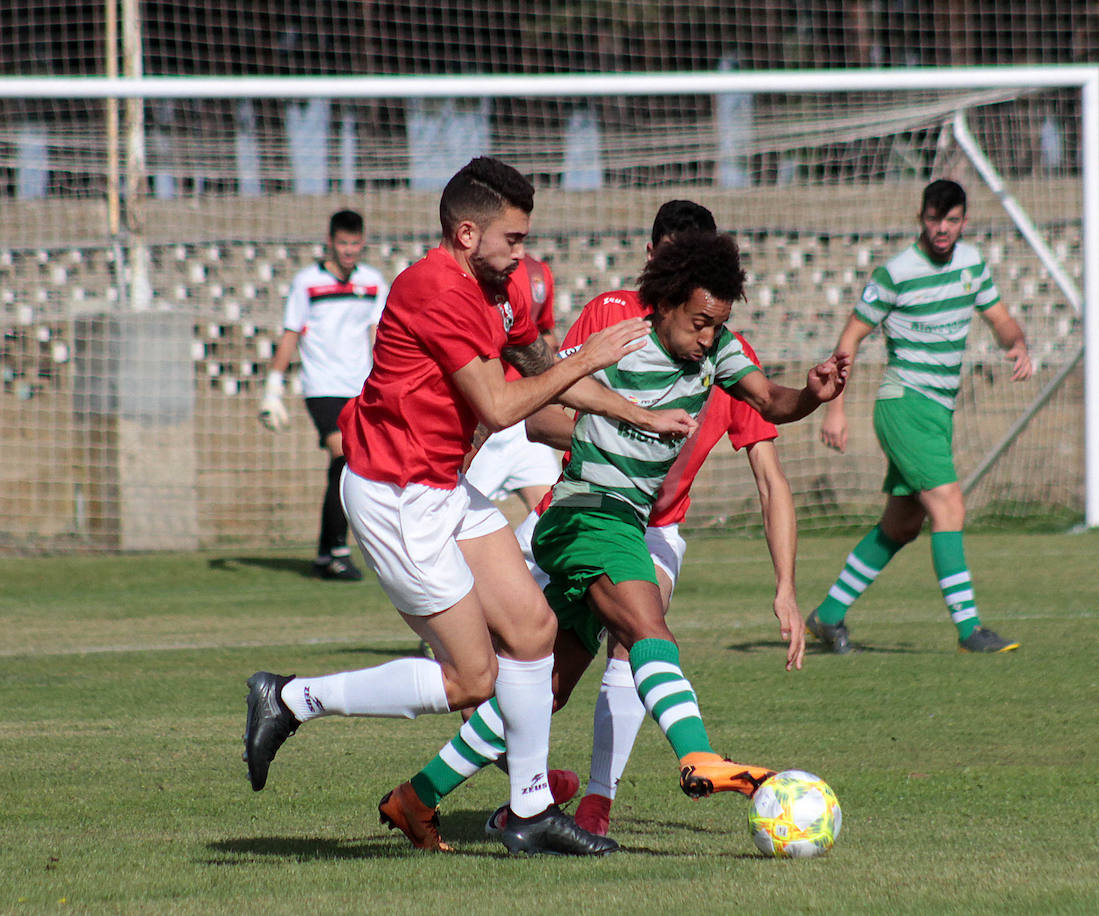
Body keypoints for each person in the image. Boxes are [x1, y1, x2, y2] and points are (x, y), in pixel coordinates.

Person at [241, 156, 696, 858]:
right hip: (396, 496)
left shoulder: (498, 287)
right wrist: (591, 358)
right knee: (472, 679)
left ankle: (529, 810)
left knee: (535, 628)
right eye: (512, 239)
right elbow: (502, 404)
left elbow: (540, 365)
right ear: (464, 233)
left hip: (445, 486)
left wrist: (633, 410)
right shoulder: (435, 290)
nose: (522, 253)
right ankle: (292, 699)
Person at [374, 228, 848, 851]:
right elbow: (534, 388)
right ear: (668, 301)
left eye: (718, 323)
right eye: (699, 321)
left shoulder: (719, 351)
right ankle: (697, 754)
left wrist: (812, 396)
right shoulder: (620, 339)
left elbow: (770, 399)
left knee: (541, 693)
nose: (707, 335)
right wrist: (476, 443)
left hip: (620, 522)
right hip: (585, 512)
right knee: (648, 630)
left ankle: (416, 797)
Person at [522, 200, 805, 837]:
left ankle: (596, 801)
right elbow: (540, 414)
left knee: (638, 632)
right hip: (582, 505)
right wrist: (625, 422)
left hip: (651, 527)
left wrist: (786, 588)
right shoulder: (612, 319)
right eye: (665, 259)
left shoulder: (724, 350)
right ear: (654, 262)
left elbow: (771, 478)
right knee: (511, 680)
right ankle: (533, 781)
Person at [809, 178, 1033, 655]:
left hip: (938, 413)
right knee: (949, 506)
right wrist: (836, 409)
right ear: (921, 218)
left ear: (964, 222)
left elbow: (1000, 319)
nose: (942, 229)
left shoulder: (972, 264)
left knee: (903, 525)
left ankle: (827, 616)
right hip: (904, 404)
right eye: (934, 219)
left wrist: (1016, 343)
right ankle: (970, 631)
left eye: (951, 221)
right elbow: (849, 340)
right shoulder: (896, 273)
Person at [258, 209, 386, 581]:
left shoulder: (373, 282)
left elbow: (378, 336)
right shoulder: (306, 282)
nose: (349, 251)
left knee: (351, 465)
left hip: (360, 388)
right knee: (345, 456)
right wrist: (272, 389)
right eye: (342, 243)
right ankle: (338, 551)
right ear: (330, 242)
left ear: (363, 243)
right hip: (322, 388)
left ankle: (324, 553)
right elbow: (290, 334)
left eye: (355, 244)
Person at [463, 255, 564, 515]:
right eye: (511, 239)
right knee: (456, 518)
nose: (516, 250)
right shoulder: (469, 278)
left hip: (523, 420)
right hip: (484, 419)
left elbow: (545, 331)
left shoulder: (538, 272)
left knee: (551, 515)